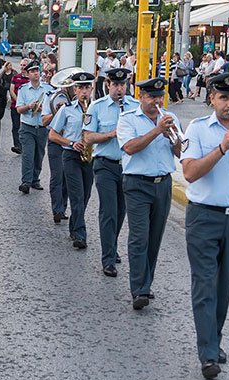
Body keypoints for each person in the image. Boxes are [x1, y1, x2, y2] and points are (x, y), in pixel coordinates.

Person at [181, 73, 229, 380]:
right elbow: (190, 173)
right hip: (204, 216)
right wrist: (221, 149)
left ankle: (213, 340)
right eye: (224, 98)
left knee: (225, 286)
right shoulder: (198, 128)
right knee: (204, 285)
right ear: (212, 99)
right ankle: (207, 355)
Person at [116, 77, 182, 310]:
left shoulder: (168, 119)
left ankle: (146, 282)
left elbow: (180, 152)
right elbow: (130, 148)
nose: (156, 101)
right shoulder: (127, 119)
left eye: (159, 96)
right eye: (151, 96)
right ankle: (139, 289)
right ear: (141, 97)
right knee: (139, 237)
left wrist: (172, 138)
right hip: (137, 184)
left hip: (163, 183)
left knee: (154, 238)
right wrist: (156, 131)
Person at [82, 68, 140, 276]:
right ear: (108, 85)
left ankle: (112, 245)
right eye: (115, 85)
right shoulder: (97, 107)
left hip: (128, 166)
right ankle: (108, 259)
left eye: (123, 85)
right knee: (109, 211)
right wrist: (111, 134)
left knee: (121, 211)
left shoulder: (134, 106)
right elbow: (88, 137)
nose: (119, 89)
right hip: (105, 164)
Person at [48, 72, 95, 249]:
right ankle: (80, 235)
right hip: (70, 156)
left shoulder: (96, 109)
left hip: (89, 157)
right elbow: (53, 134)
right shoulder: (66, 109)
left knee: (86, 196)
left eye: (87, 88)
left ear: (91, 89)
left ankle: (74, 226)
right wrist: (71, 142)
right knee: (77, 195)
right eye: (80, 88)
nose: (84, 92)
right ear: (75, 89)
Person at [15, 61, 53, 194]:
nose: (36, 73)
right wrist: (29, 106)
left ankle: (35, 180)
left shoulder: (48, 88)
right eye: (32, 71)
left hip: (42, 127)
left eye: (37, 70)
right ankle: (26, 182)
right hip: (27, 127)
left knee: (39, 155)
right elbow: (19, 109)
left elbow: (54, 105)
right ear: (27, 74)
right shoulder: (23, 89)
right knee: (28, 154)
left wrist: (45, 109)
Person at [41, 67, 68, 223]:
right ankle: (57, 209)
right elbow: (44, 121)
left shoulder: (77, 99)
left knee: (67, 178)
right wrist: (56, 112)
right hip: (55, 140)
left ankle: (63, 206)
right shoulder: (51, 97)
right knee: (57, 176)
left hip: (72, 142)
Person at [9, 59, 29, 154]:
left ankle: (25, 145)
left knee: (25, 127)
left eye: (24, 65)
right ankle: (17, 145)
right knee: (16, 126)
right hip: (15, 106)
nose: (22, 67)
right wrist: (18, 102)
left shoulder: (30, 79)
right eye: (21, 65)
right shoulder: (15, 77)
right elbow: (11, 90)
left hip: (27, 107)